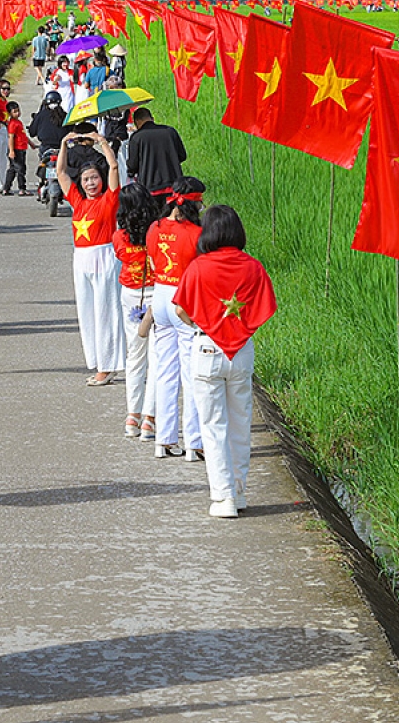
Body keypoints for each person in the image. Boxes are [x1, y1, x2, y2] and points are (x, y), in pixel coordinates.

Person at [173, 205, 277, 518]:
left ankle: (223, 496)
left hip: (206, 349)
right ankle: (240, 491)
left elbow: (180, 309)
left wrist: (201, 324)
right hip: (241, 351)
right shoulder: (253, 267)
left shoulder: (198, 267)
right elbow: (266, 307)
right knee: (240, 424)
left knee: (213, 426)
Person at [145, 176, 206, 460]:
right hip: (184, 299)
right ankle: (194, 441)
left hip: (160, 296)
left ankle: (164, 440)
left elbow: (153, 260)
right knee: (192, 373)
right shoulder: (197, 233)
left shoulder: (154, 228)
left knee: (165, 371)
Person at [62, 132, 126, 386]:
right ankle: (98, 362)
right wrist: (64, 144)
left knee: (106, 312)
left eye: (94, 178)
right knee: (87, 314)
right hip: (81, 260)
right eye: (86, 179)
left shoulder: (109, 200)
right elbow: (61, 173)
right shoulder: (77, 202)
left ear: (101, 180)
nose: (90, 183)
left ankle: (108, 366)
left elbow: (113, 167)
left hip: (105, 258)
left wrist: (102, 142)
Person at [113, 185, 161, 441]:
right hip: (156, 294)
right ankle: (150, 418)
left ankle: (132, 415)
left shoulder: (119, 237)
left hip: (131, 295)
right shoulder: (157, 233)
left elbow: (120, 256)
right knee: (156, 357)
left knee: (134, 356)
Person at [124, 108, 187, 197]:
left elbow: (133, 165)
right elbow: (182, 156)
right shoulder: (170, 131)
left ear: (137, 122)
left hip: (149, 187)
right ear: (152, 118)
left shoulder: (136, 137)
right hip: (174, 185)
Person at [2, 100, 30, 195]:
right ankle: (22, 188)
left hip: (21, 148)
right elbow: (11, 137)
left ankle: (6, 188)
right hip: (17, 149)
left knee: (13, 169)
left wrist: (30, 143)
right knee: (20, 169)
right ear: (9, 113)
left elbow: (23, 135)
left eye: (18, 110)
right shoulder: (12, 124)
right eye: (15, 111)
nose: (17, 113)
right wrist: (11, 150)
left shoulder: (18, 122)